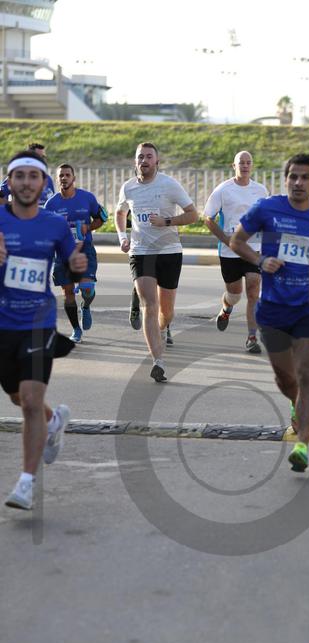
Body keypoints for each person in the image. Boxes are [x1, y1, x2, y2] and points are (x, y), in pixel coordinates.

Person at [230, 153, 309, 473]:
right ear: (286, 180)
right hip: (273, 307)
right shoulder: (267, 209)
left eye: (305, 177)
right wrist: (259, 260)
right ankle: (295, 403)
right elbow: (236, 240)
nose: (298, 183)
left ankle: (302, 445)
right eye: (293, 177)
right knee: (286, 378)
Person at [0, 149, 87, 510]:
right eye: (19, 176)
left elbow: (72, 264)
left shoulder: (54, 224)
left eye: (32, 176)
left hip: (38, 323)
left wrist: (77, 266)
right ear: (9, 182)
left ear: (43, 183)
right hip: (2, 326)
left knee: (31, 401)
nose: (26, 183)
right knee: (17, 396)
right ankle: (54, 422)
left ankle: (26, 483)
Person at [115, 142, 198, 382]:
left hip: (169, 251)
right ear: (135, 161)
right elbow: (120, 213)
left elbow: (193, 214)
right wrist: (122, 237)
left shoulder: (169, 185)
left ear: (157, 161)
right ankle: (158, 361)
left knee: (166, 312)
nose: (144, 160)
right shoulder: (128, 187)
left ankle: (164, 327)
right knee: (150, 305)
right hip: (141, 251)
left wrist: (167, 222)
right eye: (140, 156)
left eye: (149, 156)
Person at [203, 150, 268, 353]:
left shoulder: (261, 190)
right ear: (234, 166)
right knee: (234, 294)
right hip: (229, 252)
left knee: (253, 290)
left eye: (248, 162)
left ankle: (251, 337)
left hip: (253, 249)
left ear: (252, 166)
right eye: (241, 162)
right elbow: (207, 218)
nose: (245, 165)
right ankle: (226, 308)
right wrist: (226, 240)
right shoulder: (224, 190)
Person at [45, 164, 108, 342]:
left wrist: (88, 227)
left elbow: (101, 218)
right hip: (62, 253)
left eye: (67, 175)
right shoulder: (51, 204)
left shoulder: (87, 198)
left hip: (85, 249)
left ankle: (85, 306)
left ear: (73, 178)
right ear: (57, 179)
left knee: (87, 288)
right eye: (61, 175)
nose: (64, 178)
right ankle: (76, 329)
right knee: (68, 293)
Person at [0, 143, 55, 207]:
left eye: (43, 157)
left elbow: (52, 202)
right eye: (38, 156)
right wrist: (13, 207)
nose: (42, 159)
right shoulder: (16, 177)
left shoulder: (48, 179)